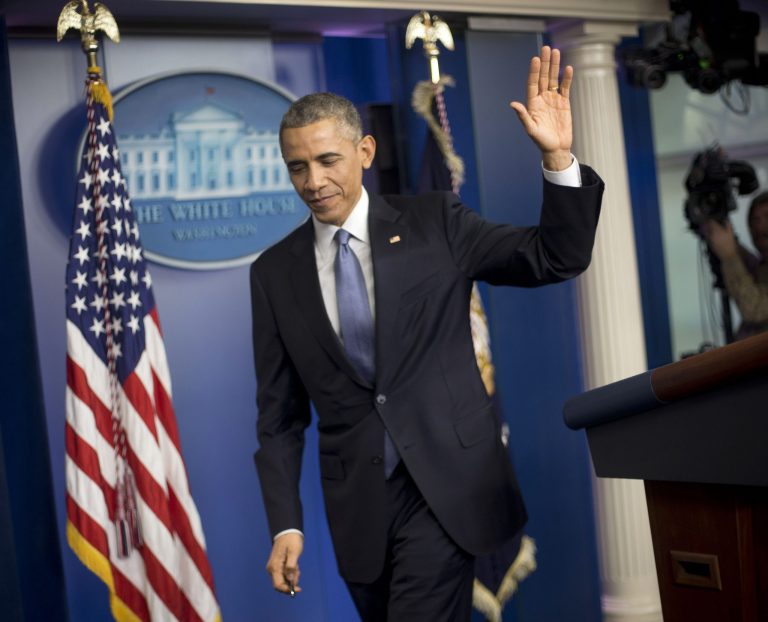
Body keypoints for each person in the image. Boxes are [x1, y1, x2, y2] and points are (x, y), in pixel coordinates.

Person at [250, 46, 604, 621]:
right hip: (359, 510)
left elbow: (553, 258)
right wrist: (285, 522)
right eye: (298, 166)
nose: (313, 181)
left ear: (365, 151)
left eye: (328, 160)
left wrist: (559, 159)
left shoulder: (435, 221)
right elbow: (280, 416)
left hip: (450, 489)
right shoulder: (273, 272)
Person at [704, 191, 768, 340]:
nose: (760, 227)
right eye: (755, 220)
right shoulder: (762, 265)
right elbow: (748, 263)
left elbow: (754, 307)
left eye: (767, 217)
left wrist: (729, 256)